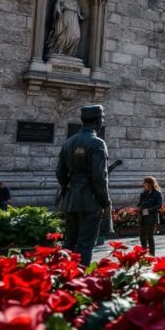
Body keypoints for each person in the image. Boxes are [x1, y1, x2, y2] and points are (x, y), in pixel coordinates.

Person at [56, 104, 112, 266]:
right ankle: (80, 281)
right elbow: (99, 177)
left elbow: (60, 172)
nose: (102, 122)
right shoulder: (98, 143)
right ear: (97, 121)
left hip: (71, 199)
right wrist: (106, 202)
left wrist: (68, 190)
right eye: (102, 119)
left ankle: (64, 275)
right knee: (86, 244)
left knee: (69, 242)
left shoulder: (68, 142)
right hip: (90, 201)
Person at [138, 176, 163, 256]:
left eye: (144, 183)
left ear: (150, 183)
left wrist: (148, 210)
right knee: (142, 237)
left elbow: (159, 205)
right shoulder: (143, 193)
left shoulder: (157, 193)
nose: (143, 184)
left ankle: (152, 255)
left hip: (151, 218)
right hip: (142, 217)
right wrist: (140, 208)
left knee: (149, 237)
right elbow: (140, 203)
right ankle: (144, 254)